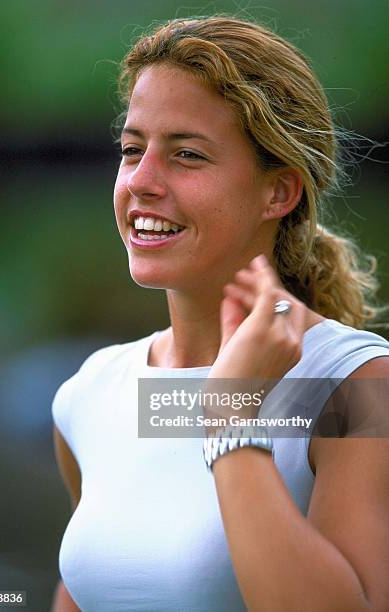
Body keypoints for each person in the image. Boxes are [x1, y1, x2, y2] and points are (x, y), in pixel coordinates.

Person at [51, 16, 389, 612]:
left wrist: (234, 415)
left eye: (186, 154)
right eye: (132, 150)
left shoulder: (358, 388)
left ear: (278, 192)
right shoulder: (92, 392)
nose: (141, 182)